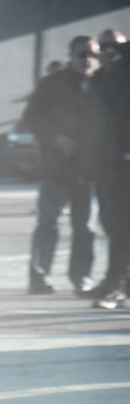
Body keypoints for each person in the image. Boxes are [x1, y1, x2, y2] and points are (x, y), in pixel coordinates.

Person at [22, 35, 100, 295]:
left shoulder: (102, 84)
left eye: (93, 55)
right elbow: (31, 118)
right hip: (55, 166)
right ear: (71, 56)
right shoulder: (51, 83)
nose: (88, 60)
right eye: (82, 54)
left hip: (87, 168)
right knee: (48, 222)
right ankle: (39, 276)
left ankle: (82, 277)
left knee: (85, 226)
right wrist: (56, 137)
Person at [88, 29, 130, 309]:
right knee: (118, 226)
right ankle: (116, 284)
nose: (108, 51)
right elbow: (101, 118)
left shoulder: (118, 73)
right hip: (119, 162)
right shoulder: (117, 74)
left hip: (119, 160)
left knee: (120, 227)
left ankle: (117, 284)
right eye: (103, 46)